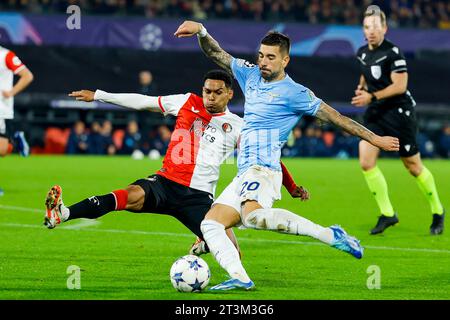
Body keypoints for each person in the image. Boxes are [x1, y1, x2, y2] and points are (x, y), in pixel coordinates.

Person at [174, 20, 400, 291]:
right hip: (245, 171)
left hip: (264, 170)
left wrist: (375, 139)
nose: (263, 62)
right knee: (210, 225)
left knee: (253, 217)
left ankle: (329, 234)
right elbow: (217, 54)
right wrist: (201, 31)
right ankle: (242, 279)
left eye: (270, 57)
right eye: (260, 55)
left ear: (285, 60)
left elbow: (337, 118)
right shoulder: (250, 75)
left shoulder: (295, 93)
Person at [45, 70, 307, 259]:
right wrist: (99, 95)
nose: (211, 97)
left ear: (229, 94)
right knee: (126, 196)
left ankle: (203, 243)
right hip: (165, 183)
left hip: (198, 198)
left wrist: (292, 186)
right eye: (207, 91)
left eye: (218, 92)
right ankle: (62, 213)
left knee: (234, 254)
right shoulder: (186, 102)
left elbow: (267, 158)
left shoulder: (238, 126)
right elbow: (143, 101)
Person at [351, 5, 445, 235]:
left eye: (375, 26)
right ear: (363, 30)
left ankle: (437, 210)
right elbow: (366, 71)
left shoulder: (394, 53)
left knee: (413, 166)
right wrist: (362, 87)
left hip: (399, 113)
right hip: (376, 113)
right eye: (366, 27)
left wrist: (371, 95)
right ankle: (388, 214)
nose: (371, 31)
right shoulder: (362, 52)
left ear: (384, 28)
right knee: (366, 161)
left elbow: (400, 86)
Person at [0, 45, 34, 195]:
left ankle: (14, 139)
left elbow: (27, 75)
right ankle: (14, 139)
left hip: (1, 109)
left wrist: (11, 92)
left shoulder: (6, 55)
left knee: (2, 150)